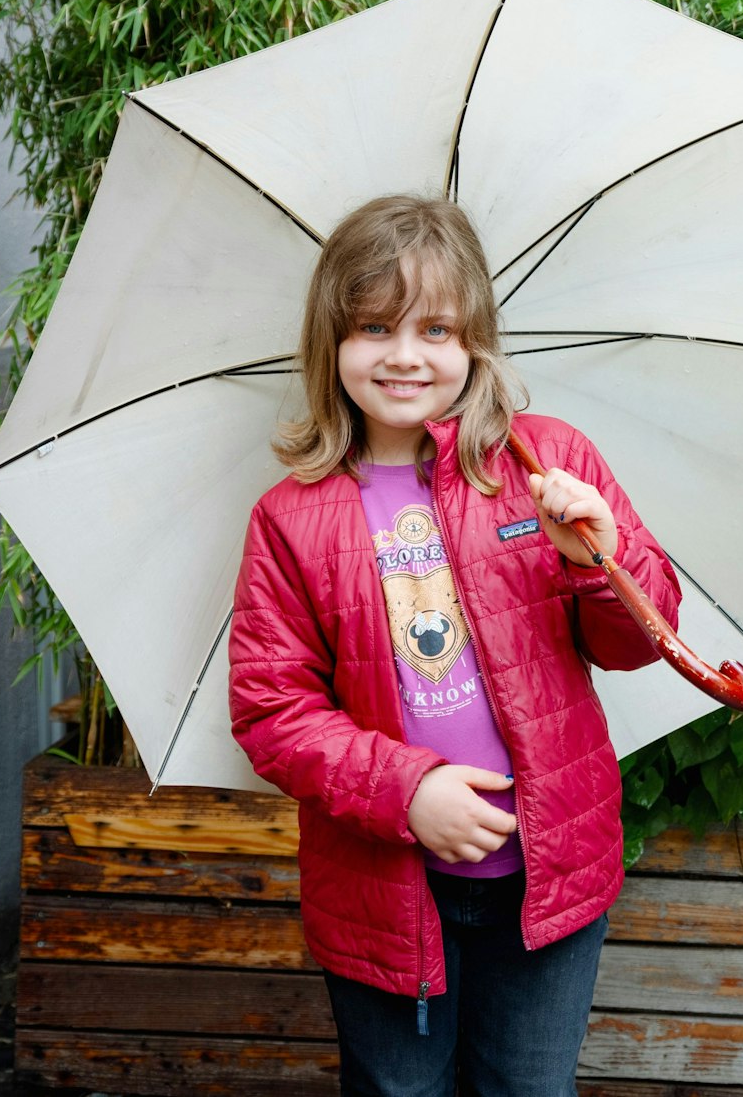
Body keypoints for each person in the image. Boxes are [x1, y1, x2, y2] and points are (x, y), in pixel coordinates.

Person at [229, 194, 679, 1097]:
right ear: (333, 342)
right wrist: (408, 790)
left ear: (474, 338)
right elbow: (272, 709)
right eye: (373, 326)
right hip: (387, 884)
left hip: (546, 873)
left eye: (435, 327)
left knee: (530, 1086)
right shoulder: (291, 516)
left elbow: (643, 639)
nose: (404, 355)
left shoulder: (544, 465)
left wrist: (605, 560)